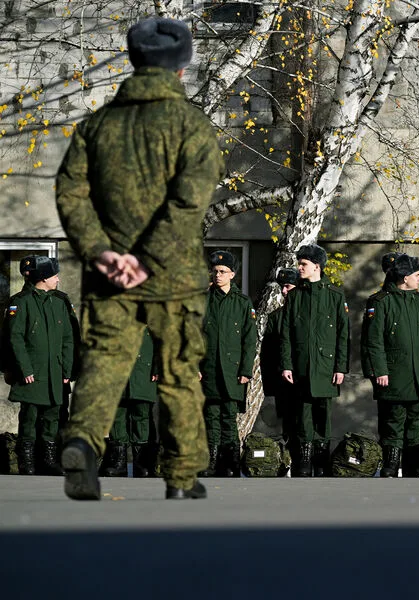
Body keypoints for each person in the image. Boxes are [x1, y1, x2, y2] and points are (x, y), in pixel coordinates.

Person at [56, 16, 225, 500]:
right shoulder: (192, 126)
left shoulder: (96, 126)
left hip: (109, 275)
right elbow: (189, 202)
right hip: (173, 273)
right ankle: (182, 476)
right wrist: (147, 259)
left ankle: (82, 446)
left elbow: (70, 193)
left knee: (104, 362)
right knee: (178, 370)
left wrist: (102, 253)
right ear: (181, 68)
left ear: (133, 61)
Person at [361, 254, 419, 477]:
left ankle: (412, 467)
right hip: (393, 374)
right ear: (405, 278)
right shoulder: (380, 301)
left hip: (418, 374)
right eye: (417, 275)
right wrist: (380, 371)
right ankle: (390, 467)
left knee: (415, 424)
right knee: (393, 423)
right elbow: (372, 341)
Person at [280, 245, 350, 477]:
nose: (299, 268)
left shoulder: (335, 296)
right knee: (304, 415)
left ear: (317, 266)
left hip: (326, 367)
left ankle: (321, 460)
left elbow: (343, 335)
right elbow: (286, 334)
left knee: (323, 415)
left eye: (304, 264)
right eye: (299, 263)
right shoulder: (295, 296)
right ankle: (304, 460)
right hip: (301, 366)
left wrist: (341, 367)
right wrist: (286, 364)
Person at [3, 256, 74, 476]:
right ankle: (27, 462)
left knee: (53, 416)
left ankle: (49, 461)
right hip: (33, 372)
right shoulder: (21, 302)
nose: (58, 279)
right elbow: (14, 338)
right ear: (43, 278)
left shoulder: (59, 302)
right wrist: (25, 369)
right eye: (54, 275)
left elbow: (68, 339)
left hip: (55, 372)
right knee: (30, 416)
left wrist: (67, 370)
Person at [200, 250, 258, 478]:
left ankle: (231, 462)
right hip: (208, 369)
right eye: (215, 271)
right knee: (211, 416)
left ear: (232, 274)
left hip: (233, 370)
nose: (218, 275)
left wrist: (246, 370)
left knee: (229, 416)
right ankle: (212, 462)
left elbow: (249, 340)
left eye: (223, 271)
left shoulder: (242, 302)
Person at [100, 327, 158, 477]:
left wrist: (158, 366)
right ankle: (119, 462)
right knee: (117, 415)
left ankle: (142, 463)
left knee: (141, 415)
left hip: (144, 370)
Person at [260, 268, 299, 446]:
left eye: (288, 287)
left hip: (305, 379)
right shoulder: (276, 317)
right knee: (288, 426)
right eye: (282, 287)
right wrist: (270, 386)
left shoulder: (309, 315)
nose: (283, 291)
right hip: (282, 382)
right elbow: (268, 353)